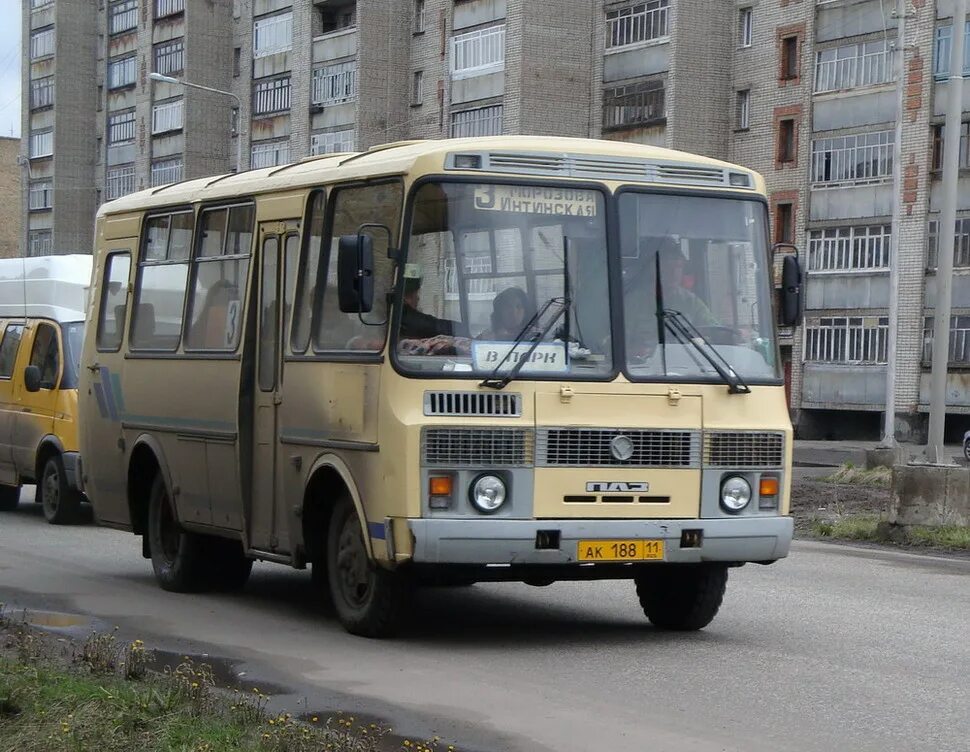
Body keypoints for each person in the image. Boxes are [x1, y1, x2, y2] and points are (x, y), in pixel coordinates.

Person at [655, 238, 719, 328]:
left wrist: (724, 334)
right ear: (655, 269)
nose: (674, 272)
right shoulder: (637, 301)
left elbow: (714, 328)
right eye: (668, 266)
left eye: (678, 266)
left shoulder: (691, 301)